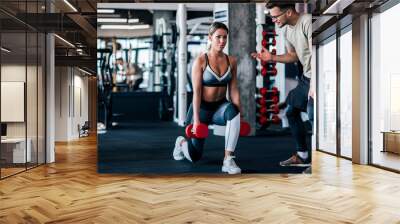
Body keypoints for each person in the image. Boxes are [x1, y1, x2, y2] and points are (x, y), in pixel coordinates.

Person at [172, 22, 243, 174]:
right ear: (210, 37)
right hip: (201, 109)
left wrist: (240, 114)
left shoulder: (232, 61)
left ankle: (228, 160)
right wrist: (196, 120)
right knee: (195, 156)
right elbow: (196, 93)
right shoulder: (201, 61)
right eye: (218, 37)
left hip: (220, 107)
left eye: (225, 37)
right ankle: (181, 143)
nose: (222, 41)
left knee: (233, 111)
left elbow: (234, 89)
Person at [251, 3, 313, 167]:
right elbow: (293, 55)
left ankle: (325, 163)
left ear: (290, 12)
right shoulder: (284, 28)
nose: (273, 20)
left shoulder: (307, 22)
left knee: (315, 116)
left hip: (318, 78)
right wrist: (271, 58)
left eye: (276, 16)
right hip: (306, 78)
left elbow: (320, 52)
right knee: (291, 112)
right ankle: (303, 155)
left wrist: (315, 86)